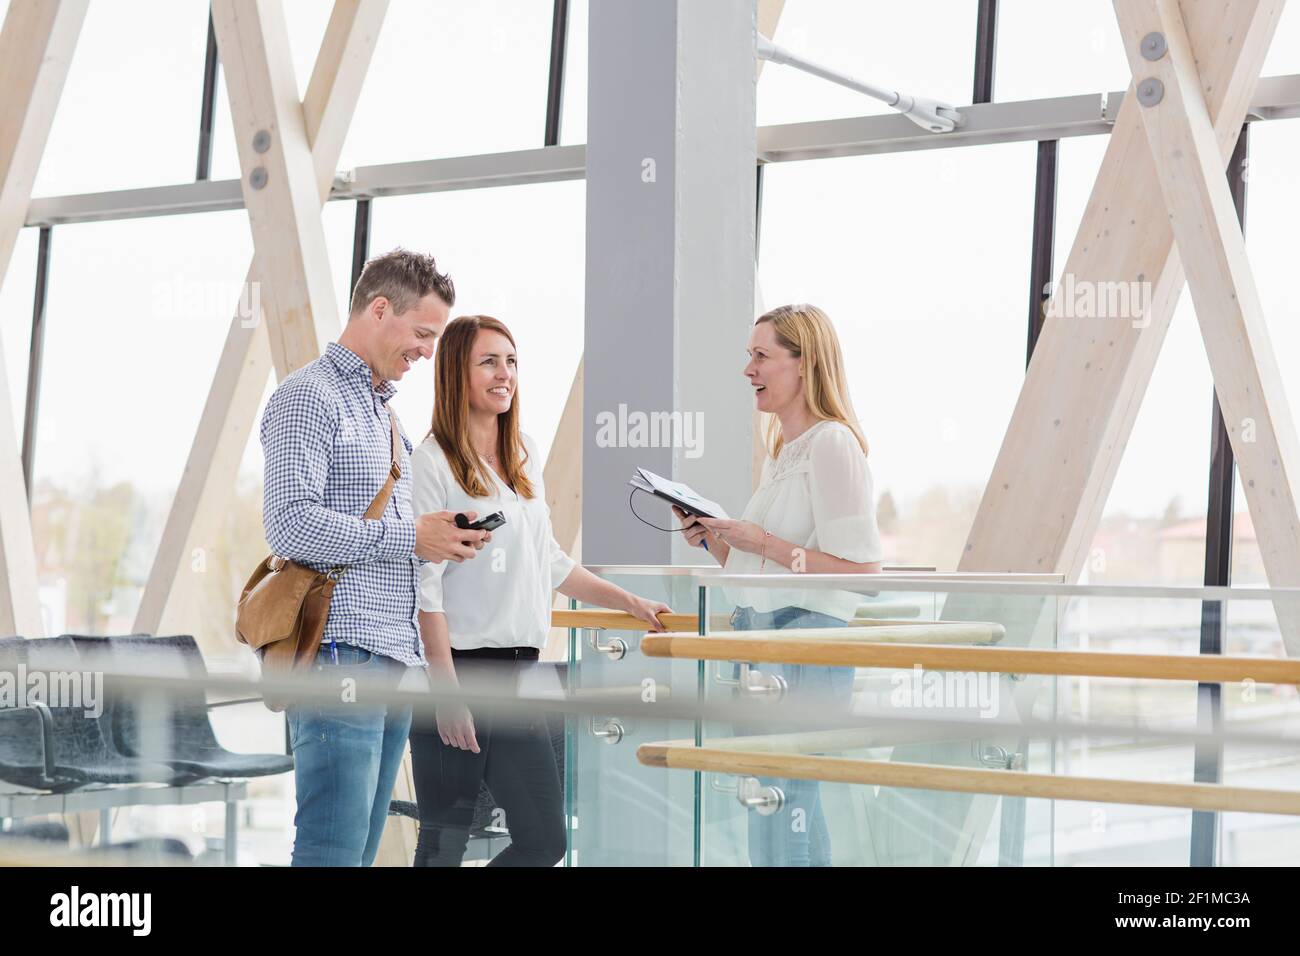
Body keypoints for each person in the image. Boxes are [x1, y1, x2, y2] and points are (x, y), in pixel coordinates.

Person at [409, 314, 671, 867]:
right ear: (457, 372)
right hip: (460, 672)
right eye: (489, 361)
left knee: (545, 842)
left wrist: (629, 601)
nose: (505, 374)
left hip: (521, 676)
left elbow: (550, 562)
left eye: (511, 362)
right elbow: (425, 589)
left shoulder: (523, 452)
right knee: (444, 846)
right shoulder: (431, 461)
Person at [260, 249, 492, 867]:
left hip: (390, 655)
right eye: (421, 334)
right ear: (380, 309)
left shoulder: (385, 414)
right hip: (341, 654)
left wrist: (440, 538)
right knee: (331, 850)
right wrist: (409, 538)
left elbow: (393, 535)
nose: (425, 352)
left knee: (359, 852)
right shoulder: (307, 398)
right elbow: (289, 525)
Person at [675, 303, 882, 867]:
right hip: (763, 641)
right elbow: (764, 575)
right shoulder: (785, 453)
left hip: (806, 644)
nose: (749, 370)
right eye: (750, 356)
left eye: (761, 356)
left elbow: (863, 577)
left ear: (804, 363)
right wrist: (716, 541)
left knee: (782, 805)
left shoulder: (832, 445)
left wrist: (759, 539)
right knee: (779, 808)